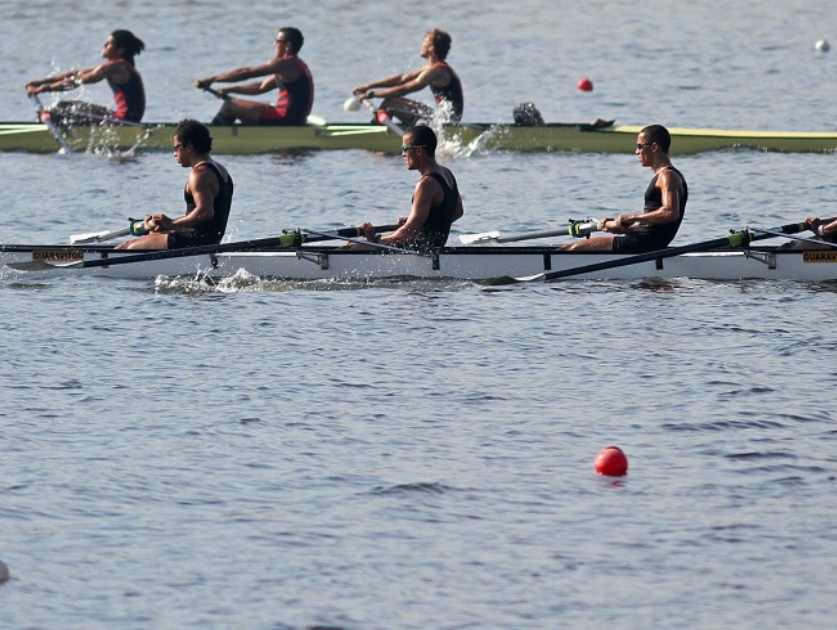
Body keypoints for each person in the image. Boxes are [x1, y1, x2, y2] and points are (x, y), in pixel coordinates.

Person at [560, 124, 687, 252]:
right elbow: (655, 227)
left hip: (643, 244)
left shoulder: (667, 176)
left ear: (654, 147)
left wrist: (632, 218)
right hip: (644, 240)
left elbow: (670, 212)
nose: (636, 151)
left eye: (640, 146)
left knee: (570, 249)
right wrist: (623, 229)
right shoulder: (666, 176)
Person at [115, 120, 233, 250]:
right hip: (207, 241)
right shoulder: (221, 170)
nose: (174, 153)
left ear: (189, 147)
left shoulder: (199, 174)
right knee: (143, 239)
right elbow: (205, 221)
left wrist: (171, 223)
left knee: (126, 247)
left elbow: (205, 212)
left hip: (194, 242)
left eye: (177, 147)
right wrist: (168, 225)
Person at [348, 125, 463, 253]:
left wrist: (373, 240)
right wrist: (422, 224)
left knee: (353, 246)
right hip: (431, 248)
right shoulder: (447, 173)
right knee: (355, 242)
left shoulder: (426, 184)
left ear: (419, 151)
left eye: (405, 149)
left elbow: (407, 234)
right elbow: (458, 211)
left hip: (420, 251)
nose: (403, 154)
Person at [195, 27, 313, 126]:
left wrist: (212, 79)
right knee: (241, 105)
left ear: (287, 46)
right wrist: (229, 90)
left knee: (230, 106)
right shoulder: (296, 65)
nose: (274, 45)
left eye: (277, 41)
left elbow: (245, 72)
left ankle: (210, 139)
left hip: (286, 120)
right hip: (295, 120)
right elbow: (261, 87)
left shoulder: (284, 64)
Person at [25, 30, 146, 124]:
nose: (104, 45)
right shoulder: (119, 65)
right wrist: (40, 82)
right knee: (65, 106)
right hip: (125, 117)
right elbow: (76, 74)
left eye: (109, 43)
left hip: (124, 121)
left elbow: (77, 81)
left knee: (61, 111)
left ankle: (50, 132)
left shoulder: (116, 66)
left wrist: (44, 89)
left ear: (120, 50)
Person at [352, 28, 463, 126]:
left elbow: (405, 89)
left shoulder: (437, 71)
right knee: (391, 101)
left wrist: (371, 94)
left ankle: (377, 136)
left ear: (431, 48)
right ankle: (379, 130)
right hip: (440, 117)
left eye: (425, 41)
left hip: (446, 122)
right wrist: (368, 86)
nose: (422, 44)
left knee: (390, 105)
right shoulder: (432, 68)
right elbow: (402, 79)